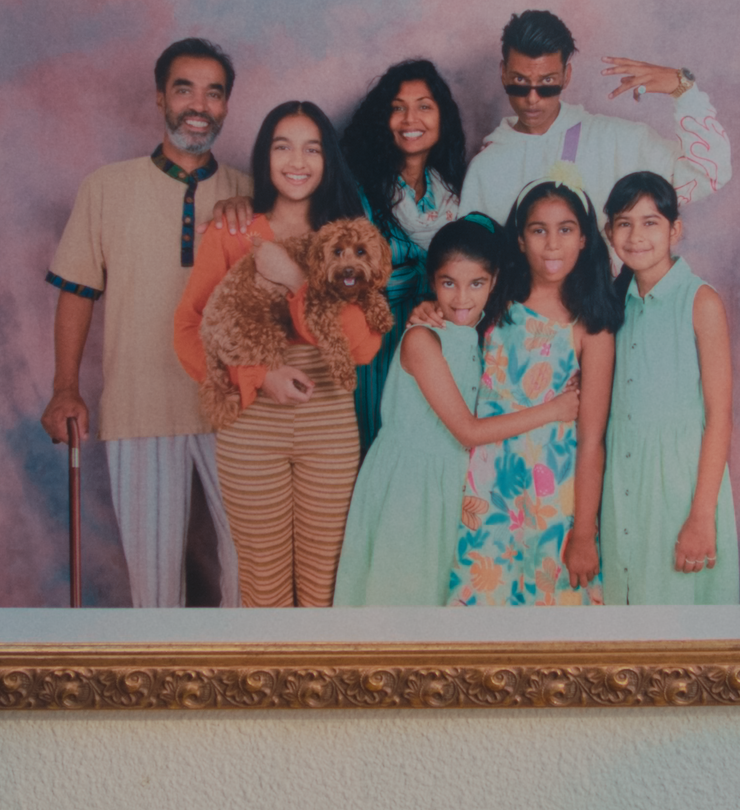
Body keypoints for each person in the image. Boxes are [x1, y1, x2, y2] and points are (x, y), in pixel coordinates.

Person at [41, 37, 249, 608]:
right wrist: (65, 389)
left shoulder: (249, 191)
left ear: (227, 105)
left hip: (236, 409)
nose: (199, 105)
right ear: (160, 97)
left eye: (214, 93)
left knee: (253, 578)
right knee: (154, 594)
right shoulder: (105, 187)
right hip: (140, 406)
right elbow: (77, 292)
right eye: (185, 89)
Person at [172, 101, 381, 608]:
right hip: (251, 426)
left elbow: (361, 347)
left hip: (329, 423)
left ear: (327, 160)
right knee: (263, 588)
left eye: (312, 149)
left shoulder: (346, 239)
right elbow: (189, 329)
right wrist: (259, 375)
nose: (297, 161)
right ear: (265, 156)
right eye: (283, 147)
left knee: (324, 589)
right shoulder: (232, 233)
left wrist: (295, 279)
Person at [334, 217, 580, 607]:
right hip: (410, 486)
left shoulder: (481, 333)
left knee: (435, 598)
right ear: (432, 281)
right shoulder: (422, 339)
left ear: (493, 281)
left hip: (451, 482)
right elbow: (467, 431)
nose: (462, 298)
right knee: (397, 597)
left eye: (476, 284)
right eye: (448, 283)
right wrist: (554, 410)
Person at [447, 181, 621, 606]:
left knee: (550, 603)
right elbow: (450, 315)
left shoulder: (590, 325)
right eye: (539, 230)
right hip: (485, 484)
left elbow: (592, 439)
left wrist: (583, 534)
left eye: (566, 229)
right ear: (521, 239)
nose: (552, 243)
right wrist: (429, 309)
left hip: (554, 492)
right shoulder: (494, 298)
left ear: (584, 238)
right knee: (481, 598)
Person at [600, 172, 739, 604]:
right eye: (624, 223)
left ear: (675, 229)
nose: (636, 236)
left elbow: (719, 417)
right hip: (622, 481)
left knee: (675, 612)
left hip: (679, 489)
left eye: (650, 222)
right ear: (608, 231)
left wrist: (701, 517)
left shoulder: (700, 302)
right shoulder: (612, 304)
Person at [456, 9, 735, 225]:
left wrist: (683, 90)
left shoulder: (615, 141)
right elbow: (470, 261)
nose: (532, 98)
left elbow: (708, 173)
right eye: (520, 81)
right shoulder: (487, 167)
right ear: (503, 73)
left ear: (567, 76)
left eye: (547, 82)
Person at [340, 59, 467, 451]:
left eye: (424, 106)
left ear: (442, 116)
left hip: (437, 340)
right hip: (374, 343)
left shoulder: (451, 191)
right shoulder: (356, 190)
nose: (411, 119)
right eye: (398, 107)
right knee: (375, 445)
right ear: (383, 118)